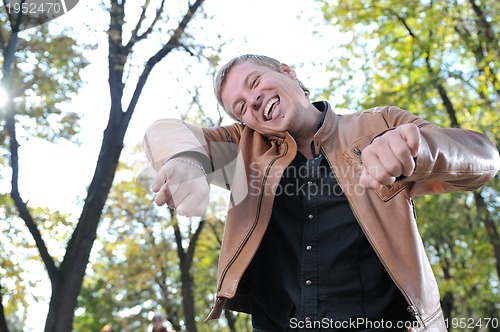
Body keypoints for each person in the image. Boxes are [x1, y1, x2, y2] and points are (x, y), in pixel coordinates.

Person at [143, 54, 500, 331]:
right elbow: (166, 130)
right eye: (240, 106)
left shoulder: (379, 125)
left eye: (254, 83)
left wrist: (418, 148)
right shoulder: (241, 150)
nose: (252, 101)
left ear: (288, 72)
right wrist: (184, 161)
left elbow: (483, 158)